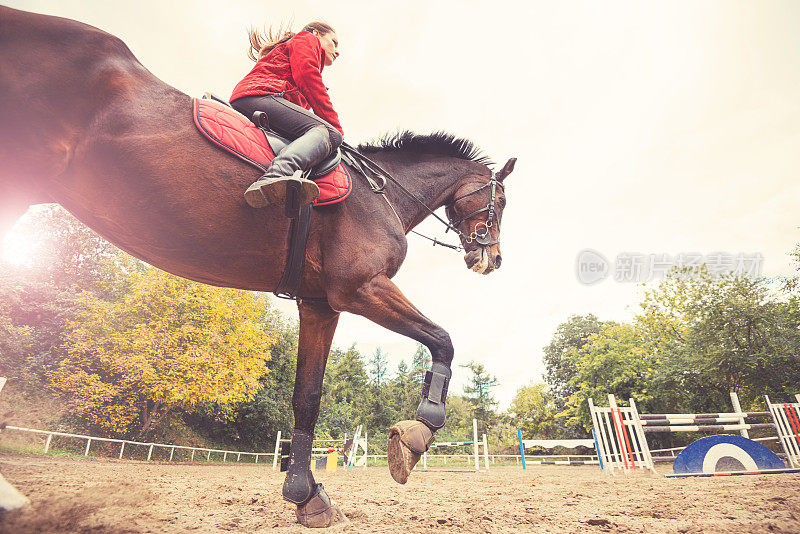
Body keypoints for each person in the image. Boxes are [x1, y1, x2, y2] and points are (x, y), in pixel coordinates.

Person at [230, 22, 343, 209]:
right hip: (263, 95)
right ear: (316, 33)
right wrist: (335, 129)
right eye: (334, 42)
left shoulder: (296, 51)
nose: (337, 51)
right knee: (330, 134)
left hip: (253, 98)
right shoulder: (307, 39)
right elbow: (308, 75)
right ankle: (277, 175)